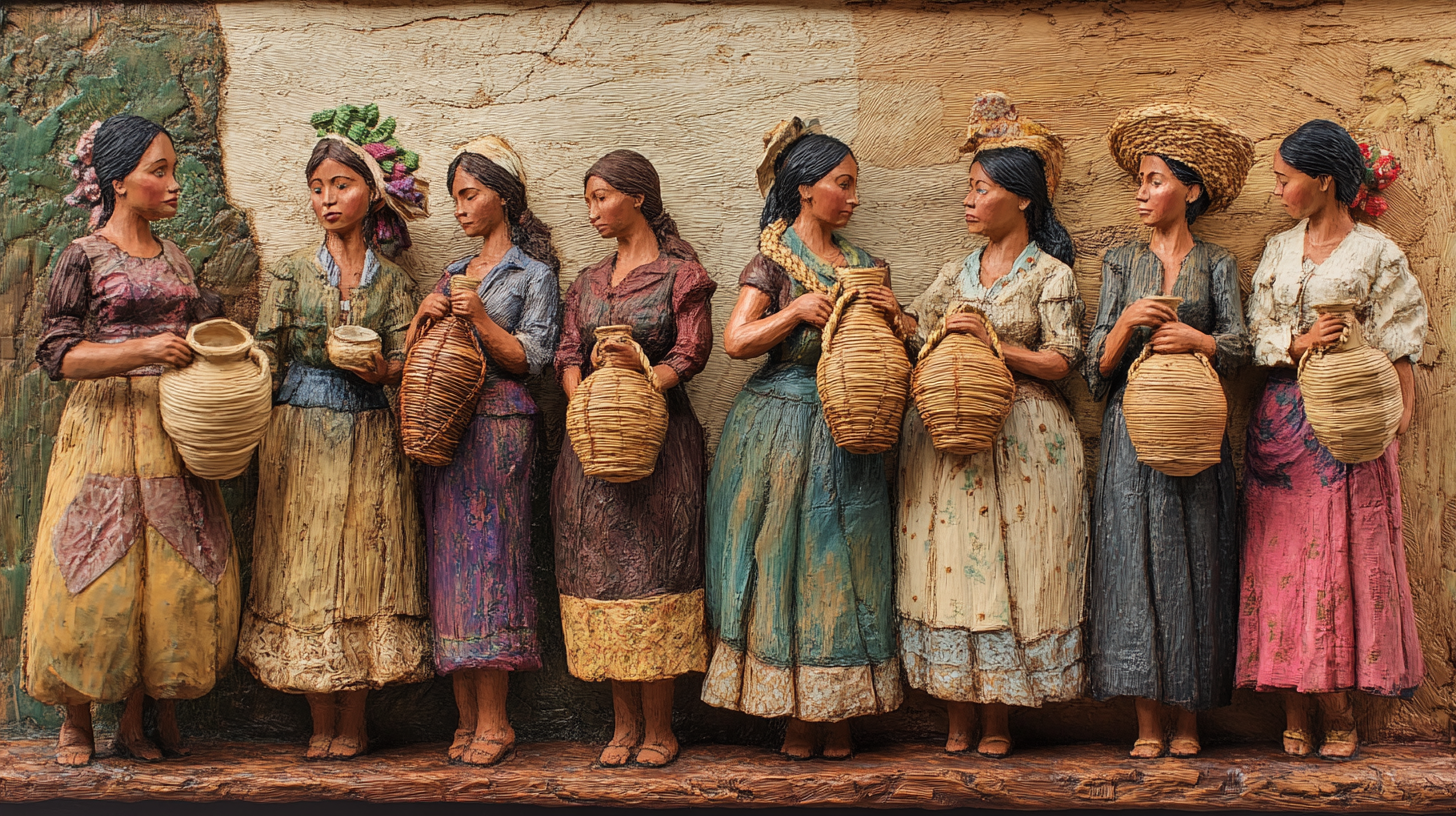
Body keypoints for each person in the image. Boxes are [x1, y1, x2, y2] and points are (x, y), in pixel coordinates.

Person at [24, 115, 240, 765]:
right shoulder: (83, 256)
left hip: (169, 428)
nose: (175, 185)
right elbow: (55, 353)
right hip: (104, 430)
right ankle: (76, 719)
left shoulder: (174, 256)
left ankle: (141, 717)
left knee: (171, 568)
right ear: (118, 183)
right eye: (160, 171)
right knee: (91, 566)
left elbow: (199, 325)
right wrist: (144, 348)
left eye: (175, 171)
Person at [702, 118, 903, 760]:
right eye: (842, 184)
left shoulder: (868, 266)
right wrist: (793, 312)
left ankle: (840, 707)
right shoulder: (773, 261)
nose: (853, 197)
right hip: (780, 427)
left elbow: (891, 343)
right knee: (781, 559)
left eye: (854, 186)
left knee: (843, 562)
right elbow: (735, 341)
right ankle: (790, 709)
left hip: (852, 427)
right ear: (805, 188)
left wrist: (898, 321)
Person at [896, 93, 1087, 758]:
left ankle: (1001, 713)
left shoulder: (1050, 274)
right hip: (951, 441)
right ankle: (957, 710)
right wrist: (888, 314)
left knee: (1015, 565)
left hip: (1024, 435)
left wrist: (990, 344)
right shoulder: (955, 273)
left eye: (981, 190)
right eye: (969, 189)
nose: (969, 201)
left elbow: (1063, 359)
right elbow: (918, 331)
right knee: (953, 565)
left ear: (1022, 198)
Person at [238, 104, 431, 759]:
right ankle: (320, 723)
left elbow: (411, 358)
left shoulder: (397, 282)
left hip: (373, 434)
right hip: (299, 433)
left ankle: (355, 722)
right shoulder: (292, 271)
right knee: (306, 567)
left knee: (365, 565)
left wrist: (384, 367)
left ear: (372, 194)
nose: (327, 198)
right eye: (317, 186)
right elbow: (266, 349)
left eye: (340, 186)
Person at [1238, 119, 1427, 760]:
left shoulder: (1378, 253)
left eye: (1285, 179)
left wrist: (1395, 420)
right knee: (1285, 561)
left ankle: (1339, 710)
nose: (1278, 188)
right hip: (1283, 423)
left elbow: (1402, 339)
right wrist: (1298, 343)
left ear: (1323, 182)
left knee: (1338, 562)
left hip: (1348, 425)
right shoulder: (1276, 250)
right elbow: (1256, 333)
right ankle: (1294, 703)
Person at [1085, 104, 1253, 758]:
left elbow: (1242, 345)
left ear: (1192, 190)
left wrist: (1201, 339)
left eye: (1154, 180)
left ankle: (1190, 721)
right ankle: (1147, 723)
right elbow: (1095, 365)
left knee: (1197, 565)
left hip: (1200, 430)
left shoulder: (1216, 262)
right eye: (1140, 180)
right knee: (1132, 567)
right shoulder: (1121, 262)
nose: (1142, 192)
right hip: (1131, 436)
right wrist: (1128, 323)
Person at [552, 149, 716, 768]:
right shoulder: (588, 282)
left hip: (661, 443)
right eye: (588, 199)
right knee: (602, 580)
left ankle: (660, 726)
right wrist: (588, 403)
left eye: (602, 197)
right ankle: (621, 726)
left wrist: (641, 387)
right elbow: (568, 350)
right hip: (590, 448)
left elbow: (692, 349)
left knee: (657, 575)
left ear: (638, 198)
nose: (593, 211)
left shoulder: (681, 273)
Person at [410, 136, 561, 766]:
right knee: (449, 566)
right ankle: (465, 713)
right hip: (446, 430)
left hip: (500, 425)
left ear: (504, 195)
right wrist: (426, 314)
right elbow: (425, 352)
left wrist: (479, 320)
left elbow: (534, 358)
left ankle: (496, 720)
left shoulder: (534, 275)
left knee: (492, 563)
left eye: (471, 195)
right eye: (455, 199)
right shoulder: (451, 273)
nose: (461, 209)